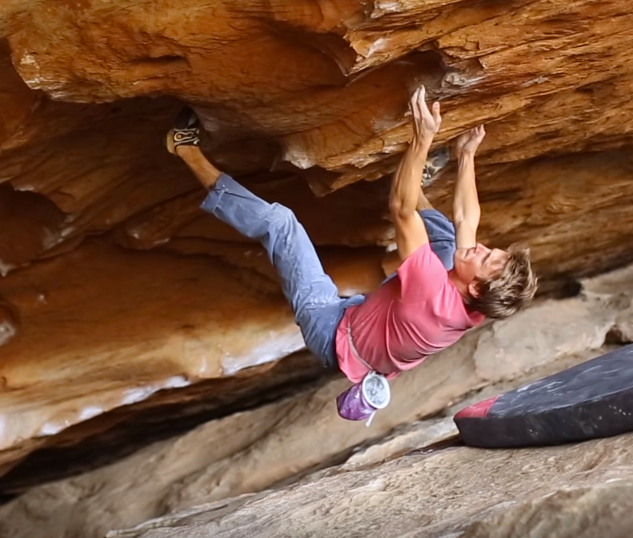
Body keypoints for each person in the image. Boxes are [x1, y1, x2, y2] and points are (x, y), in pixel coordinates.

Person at [166, 86, 537, 394]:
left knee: (281, 224)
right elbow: (467, 220)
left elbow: (401, 210)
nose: (482, 247)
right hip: (370, 327)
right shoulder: (481, 304)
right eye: (491, 250)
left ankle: (183, 147)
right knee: (452, 242)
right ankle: (411, 180)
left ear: (475, 287)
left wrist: (421, 138)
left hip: (331, 330)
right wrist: (467, 155)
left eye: (485, 258)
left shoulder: (431, 292)